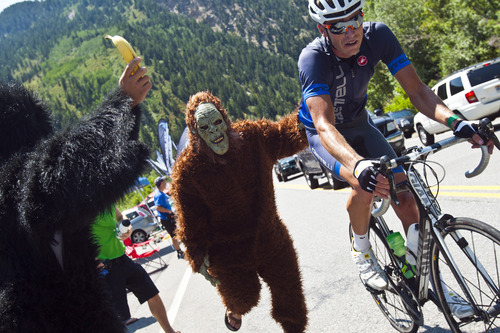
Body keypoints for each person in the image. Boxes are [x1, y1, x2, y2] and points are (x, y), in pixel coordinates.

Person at [299, 0, 494, 318]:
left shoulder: (379, 36)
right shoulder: (313, 58)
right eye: (339, 27)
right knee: (364, 185)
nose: (352, 32)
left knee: (405, 195)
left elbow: (418, 92)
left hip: (362, 124)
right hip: (326, 136)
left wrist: (459, 123)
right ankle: (362, 251)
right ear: (323, 29)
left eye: (356, 20)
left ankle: (429, 279)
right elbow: (324, 125)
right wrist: (358, 165)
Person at [0, 58, 154, 332]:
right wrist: (121, 104)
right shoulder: (10, 184)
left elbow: (99, 177)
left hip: (82, 311)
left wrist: (128, 110)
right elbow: (65, 169)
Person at [170, 91, 308, 332]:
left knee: (291, 300)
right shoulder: (188, 171)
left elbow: (287, 136)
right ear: (195, 133)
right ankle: (234, 309)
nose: (214, 132)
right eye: (205, 127)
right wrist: (198, 258)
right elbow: (191, 223)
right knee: (243, 298)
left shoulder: (253, 137)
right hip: (228, 252)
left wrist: (310, 111)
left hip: (270, 236)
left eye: (217, 122)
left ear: (225, 119)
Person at [92, 206, 180, 333]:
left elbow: (121, 217)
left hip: (123, 259)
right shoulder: (83, 208)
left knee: (152, 294)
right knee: (117, 317)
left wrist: (127, 227)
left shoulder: (107, 202)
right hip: (105, 266)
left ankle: (169, 331)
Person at [154, 176, 185, 259]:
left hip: (169, 217)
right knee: (174, 235)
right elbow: (157, 207)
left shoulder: (162, 193)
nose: (165, 182)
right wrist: (169, 212)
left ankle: (180, 250)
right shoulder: (158, 195)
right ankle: (179, 252)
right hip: (166, 219)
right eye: (164, 181)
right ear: (161, 183)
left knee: (176, 233)